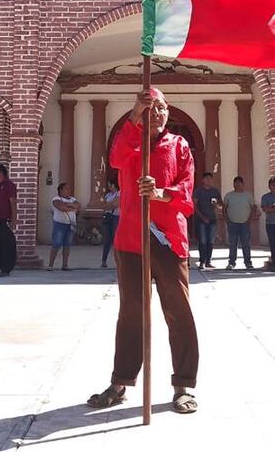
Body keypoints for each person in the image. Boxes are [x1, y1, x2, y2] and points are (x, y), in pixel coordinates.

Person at [86, 87, 199, 415]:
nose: (157, 113)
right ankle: (120, 382)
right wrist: (135, 114)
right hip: (130, 239)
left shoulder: (179, 145)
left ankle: (183, 385)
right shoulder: (129, 142)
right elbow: (115, 160)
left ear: (168, 110)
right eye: (150, 108)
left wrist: (161, 193)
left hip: (168, 239)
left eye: (161, 107)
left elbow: (187, 191)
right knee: (131, 313)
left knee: (178, 312)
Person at [223, 176, 257, 270]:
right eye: (235, 183)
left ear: (243, 184)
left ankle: (248, 263)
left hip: (245, 224)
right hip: (232, 223)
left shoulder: (248, 195)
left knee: (246, 244)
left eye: (239, 183)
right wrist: (227, 221)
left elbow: (253, 208)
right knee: (232, 245)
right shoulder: (229, 195)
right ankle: (231, 263)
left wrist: (249, 220)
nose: (237, 184)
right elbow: (224, 209)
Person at [192, 172, 221, 269]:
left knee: (210, 241)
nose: (208, 180)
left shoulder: (215, 191)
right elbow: (194, 205)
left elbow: (221, 205)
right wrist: (202, 217)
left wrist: (216, 204)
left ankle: (208, 261)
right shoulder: (198, 191)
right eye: (206, 178)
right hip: (201, 220)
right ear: (203, 180)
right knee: (203, 241)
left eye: (210, 178)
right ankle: (202, 261)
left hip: (212, 219)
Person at [49, 182, 81, 271]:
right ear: (61, 190)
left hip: (70, 224)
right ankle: (50, 265)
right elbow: (61, 208)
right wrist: (73, 208)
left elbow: (78, 205)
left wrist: (69, 205)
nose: (69, 190)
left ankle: (65, 265)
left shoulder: (72, 199)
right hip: (59, 224)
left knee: (67, 245)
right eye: (66, 189)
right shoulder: (56, 199)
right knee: (56, 244)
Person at [101, 180, 120, 268]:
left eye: (109, 185)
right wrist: (110, 204)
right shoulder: (108, 195)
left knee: (116, 239)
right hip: (107, 217)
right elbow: (103, 206)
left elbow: (115, 205)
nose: (108, 187)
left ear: (113, 185)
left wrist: (109, 204)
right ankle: (103, 260)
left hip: (116, 217)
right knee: (107, 240)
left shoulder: (119, 193)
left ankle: (118, 261)